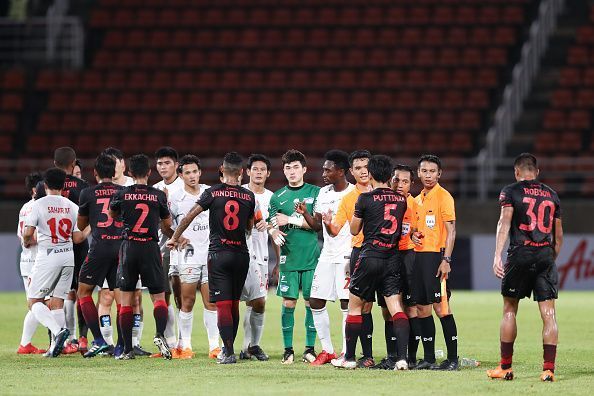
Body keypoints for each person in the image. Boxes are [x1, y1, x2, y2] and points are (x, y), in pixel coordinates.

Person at [167, 152, 256, 364]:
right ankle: (227, 349)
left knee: (223, 304)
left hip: (219, 254)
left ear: (222, 171)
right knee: (234, 303)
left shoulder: (213, 193)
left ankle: (228, 352)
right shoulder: (249, 196)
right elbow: (249, 226)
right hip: (241, 254)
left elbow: (189, 215)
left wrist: (175, 237)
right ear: (242, 172)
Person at [487, 153, 562, 382]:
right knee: (549, 314)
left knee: (509, 309)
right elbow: (558, 237)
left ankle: (505, 368)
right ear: (537, 173)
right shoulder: (552, 194)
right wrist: (549, 259)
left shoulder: (511, 191)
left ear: (516, 172)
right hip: (544, 254)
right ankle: (548, 370)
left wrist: (497, 254)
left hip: (520, 253)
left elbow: (504, 222)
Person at [331, 155, 409, 370]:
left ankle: (349, 358)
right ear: (390, 175)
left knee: (355, 308)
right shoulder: (401, 200)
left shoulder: (364, 198)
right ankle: (402, 358)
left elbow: (355, 230)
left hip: (370, 257)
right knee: (396, 308)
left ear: (372, 174)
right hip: (392, 258)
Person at [109, 154, 173, 360]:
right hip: (150, 247)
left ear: (129, 173)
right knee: (159, 297)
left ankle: (128, 349)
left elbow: (112, 215)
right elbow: (167, 223)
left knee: (126, 299)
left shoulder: (122, 193)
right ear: (149, 172)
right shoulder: (158, 195)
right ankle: (160, 334)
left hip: (129, 247)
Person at [297, 150, 353, 366]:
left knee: (346, 303)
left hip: (347, 254)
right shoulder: (323, 193)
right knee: (315, 300)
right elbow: (316, 226)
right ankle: (327, 350)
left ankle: (347, 351)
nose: (323, 173)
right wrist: (305, 214)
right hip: (327, 255)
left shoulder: (353, 193)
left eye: (328, 170)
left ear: (341, 171)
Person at [23, 168, 86, 357]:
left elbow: (27, 233)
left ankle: (59, 332)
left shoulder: (39, 204)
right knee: (58, 301)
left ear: (45, 185)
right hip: (68, 256)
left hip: (48, 256)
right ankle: (56, 348)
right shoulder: (72, 206)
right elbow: (77, 238)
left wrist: (26, 242)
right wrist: (90, 228)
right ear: (64, 185)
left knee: (34, 301)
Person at [163, 154, 220, 359]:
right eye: (187, 172)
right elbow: (166, 225)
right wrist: (176, 237)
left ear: (200, 172)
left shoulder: (208, 192)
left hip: (209, 255)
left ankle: (215, 346)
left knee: (211, 302)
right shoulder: (175, 197)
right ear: (181, 175)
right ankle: (184, 345)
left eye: (195, 171)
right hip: (187, 256)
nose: (192, 176)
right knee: (186, 302)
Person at [268, 149, 320, 365]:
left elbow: (316, 226)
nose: (291, 171)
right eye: (288, 167)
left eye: (295, 167)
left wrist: (289, 218)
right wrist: (273, 231)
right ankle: (288, 350)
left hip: (311, 258)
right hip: (288, 259)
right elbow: (273, 223)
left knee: (311, 303)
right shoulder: (276, 197)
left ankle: (310, 349)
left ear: (304, 169)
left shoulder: (317, 193)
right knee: (289, 303)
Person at [35, 147, 90, 353]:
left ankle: (55, 342)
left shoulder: (43, 186)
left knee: (52, 297)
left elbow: (37, 212)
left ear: (54, 162)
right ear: (73, 162)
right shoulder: (83, 186)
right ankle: (82, 338)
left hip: (52, 247)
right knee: (82, 292)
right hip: (78, 244)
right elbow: (87, 216)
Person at [323, 150, 374, 368]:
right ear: (351, 172)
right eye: (358, 168)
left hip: (386, 254)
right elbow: (335, 230)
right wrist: (327, 223)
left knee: (391, 307)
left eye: (366, 167)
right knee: (363, 307)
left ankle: (400, 356)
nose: (363, 172)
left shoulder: (384, 192)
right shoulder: (349, 199)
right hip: (359, 253)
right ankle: (367, 355)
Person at [412, 155, 459, 370]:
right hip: (419, 259)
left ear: (439, 174)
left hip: (437, 258)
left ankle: (452, 359)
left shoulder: (444, 197)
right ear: (419, 173)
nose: (428, 175)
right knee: (422, 308)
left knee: (442, 308)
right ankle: (429, 358)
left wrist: (446, 259)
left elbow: (451, 230)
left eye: (433, 171)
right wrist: (413, 235)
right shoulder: (417, 199)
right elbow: (414, 228)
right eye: (425, 171)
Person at [100, 147, 148, 357]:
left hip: (130, 249)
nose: (112, 165)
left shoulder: (132, 187)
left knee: (136, 298)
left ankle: (134, 341)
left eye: (115, 161)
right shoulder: (102, 189)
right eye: (108, 162)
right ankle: (108, 343)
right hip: (107, 250)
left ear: (123, 165)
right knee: (106, 297)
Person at [76, 154, 124, 358]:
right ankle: (122, 345)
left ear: (95, 173)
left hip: (99, 248)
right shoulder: (124, 192)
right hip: (122, 249)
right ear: (114, 173)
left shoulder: (87, 193)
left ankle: (98, 340)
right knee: (123, 299)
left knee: (83, 292)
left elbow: (80, 225)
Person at [372, 164, 419, 370]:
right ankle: (393, 355)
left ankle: (411, 356)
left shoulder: (414, 204)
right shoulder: (385, 202)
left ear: (411, 184)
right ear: (391, 180)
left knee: (410, 308)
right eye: (397, 180)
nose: (400, 185)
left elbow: (418, 231)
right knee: (386, 309)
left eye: (405, 181)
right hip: (387, 255)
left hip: (407, 257)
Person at [240, 154, 277, 361]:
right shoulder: (241, 193)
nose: (259, 172)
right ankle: (223, 346)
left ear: (268, 173)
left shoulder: (272, 198)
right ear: (248, 172)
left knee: (258, 302)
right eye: (255, 169)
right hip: (239, 254)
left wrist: (269, 226)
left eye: (263, 169)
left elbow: (276, 230)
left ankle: (250, 346)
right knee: (236, 301)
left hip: (261, 257)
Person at [153, 146, 184, 353]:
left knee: (182, 296)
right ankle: (170, 341)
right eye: (160, 163)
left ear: (176, 165)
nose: (163, 167)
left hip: (183, 249)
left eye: (167, 163)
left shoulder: (185, 187)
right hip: (162, 249)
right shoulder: (154, 189)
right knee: (163, 295)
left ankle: (184, 342)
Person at [16, 172, 46, 354]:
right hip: (35, 261)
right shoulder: (38, 206)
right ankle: (60, 334)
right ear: (35, 189)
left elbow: (22, 237)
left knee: (38, 301)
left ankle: (25, 344)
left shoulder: (24, 207)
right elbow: (29, 239)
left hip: (28, 261)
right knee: (38, 303)